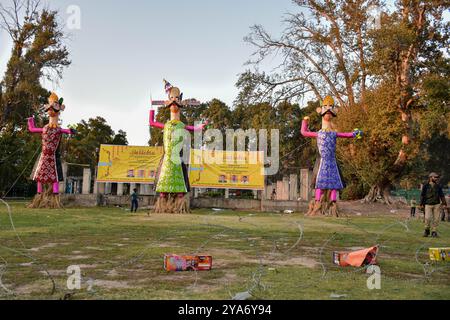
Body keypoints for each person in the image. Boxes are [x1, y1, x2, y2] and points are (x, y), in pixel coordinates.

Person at [420, 172, 447, 237]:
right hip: (427, 204)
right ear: (430, 178)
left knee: (436, 219)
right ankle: (427, 230)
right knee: (427, 218)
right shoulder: (425, 186)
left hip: (437, 204)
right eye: (435, 177)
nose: (436, 178)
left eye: (437, 177)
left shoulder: (438, 186)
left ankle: (434, 231)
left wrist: (444, 203)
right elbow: (422, 195)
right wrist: (421, 204)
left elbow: (442, 195)